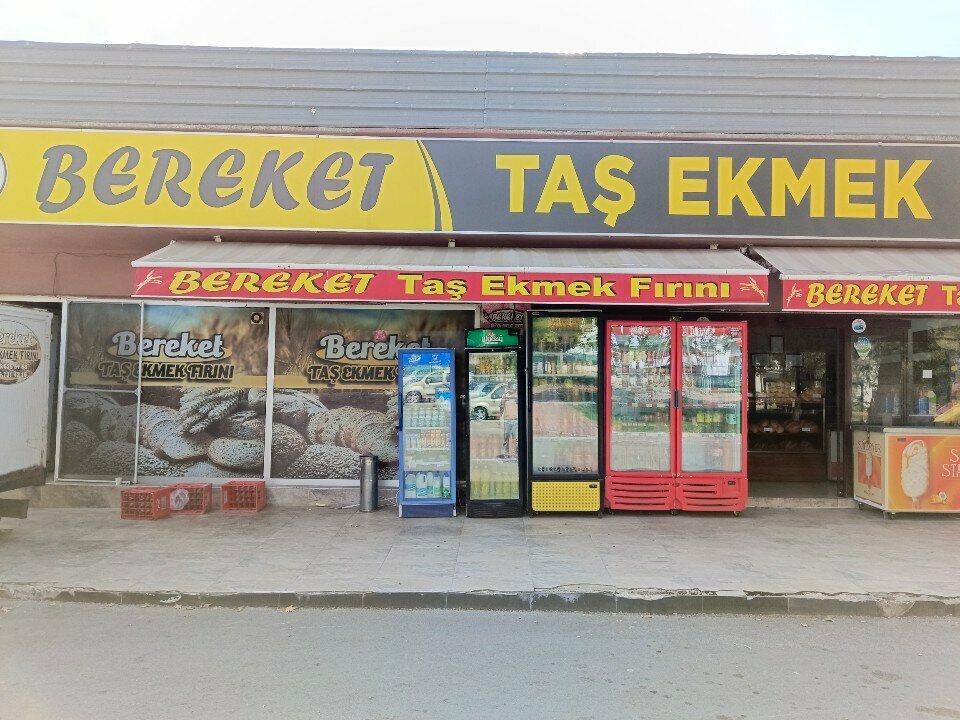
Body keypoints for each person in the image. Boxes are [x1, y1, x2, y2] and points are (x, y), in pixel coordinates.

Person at [500, 381, 519, 457]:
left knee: (516, 438)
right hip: (507, 420)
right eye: (512, 385)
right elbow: (501, 406)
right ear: (509, 386)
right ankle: (506, 453)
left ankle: (517, 453)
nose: (513, 387)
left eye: (514, 386)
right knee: (506, 437)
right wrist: (500, 418)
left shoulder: (517, 395)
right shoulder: (505, 395)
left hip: (515, 420)